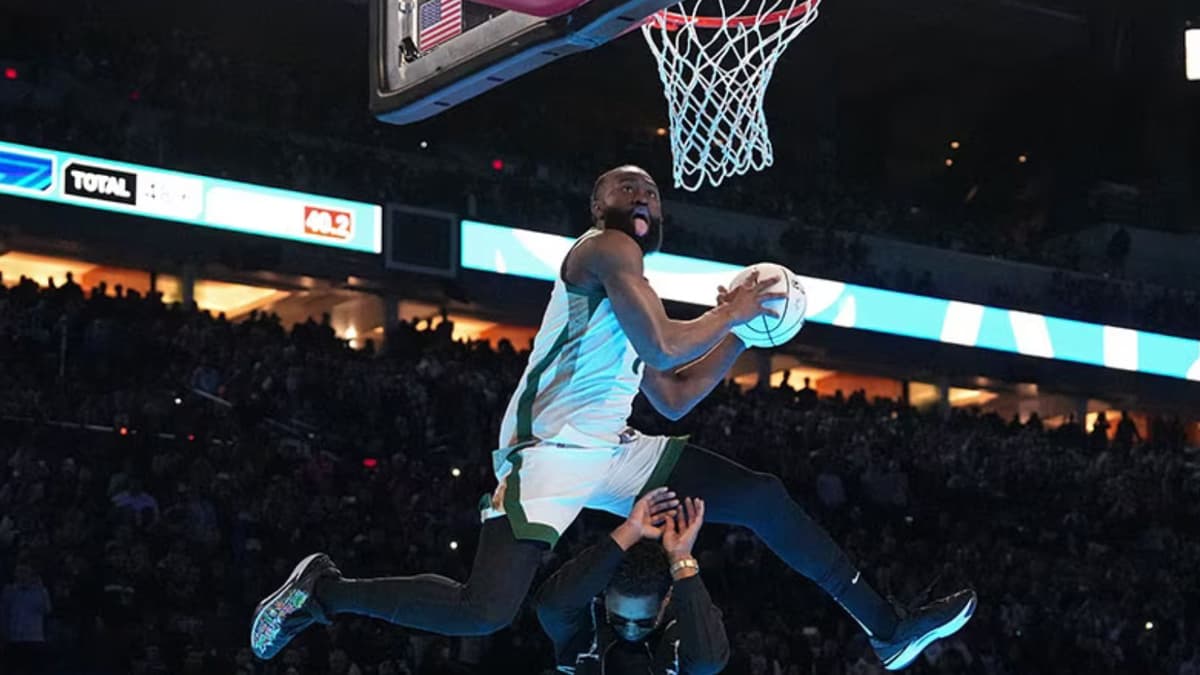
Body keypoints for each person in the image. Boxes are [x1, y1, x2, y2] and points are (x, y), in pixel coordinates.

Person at [251, 165, 975, 671]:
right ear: (598, 203)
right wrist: (732, 309)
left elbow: (673, 394)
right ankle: (324, 592)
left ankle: (886, 628)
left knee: (758, 495)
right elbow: (663, 343)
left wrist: (740, 336)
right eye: (625, 184)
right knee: (485, 612)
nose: (641, 191)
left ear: (661, 217)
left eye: (651, 190)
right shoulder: (603, 252)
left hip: (612, 448)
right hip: (551, 450)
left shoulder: (641, 288)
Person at [534, 491, 728, 674]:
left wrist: (681, 557)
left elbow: (708, 661)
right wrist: (627, 533)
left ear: (667, 598)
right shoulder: (584, 621)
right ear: (604, 593)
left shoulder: (685, 626)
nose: (630, 630)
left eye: (645, 622)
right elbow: (551, 606)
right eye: (618, 619)